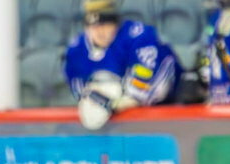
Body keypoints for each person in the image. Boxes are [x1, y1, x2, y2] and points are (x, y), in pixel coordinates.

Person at [65, 0, 181, 129]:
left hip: (162, 117)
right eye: (93, 26)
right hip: (111, 127)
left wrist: (119, 102)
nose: (99, 32)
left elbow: (152, 87)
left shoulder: (140, 37)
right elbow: (78, 88)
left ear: (116, 23)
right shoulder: (76, 49)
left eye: (105, 24)